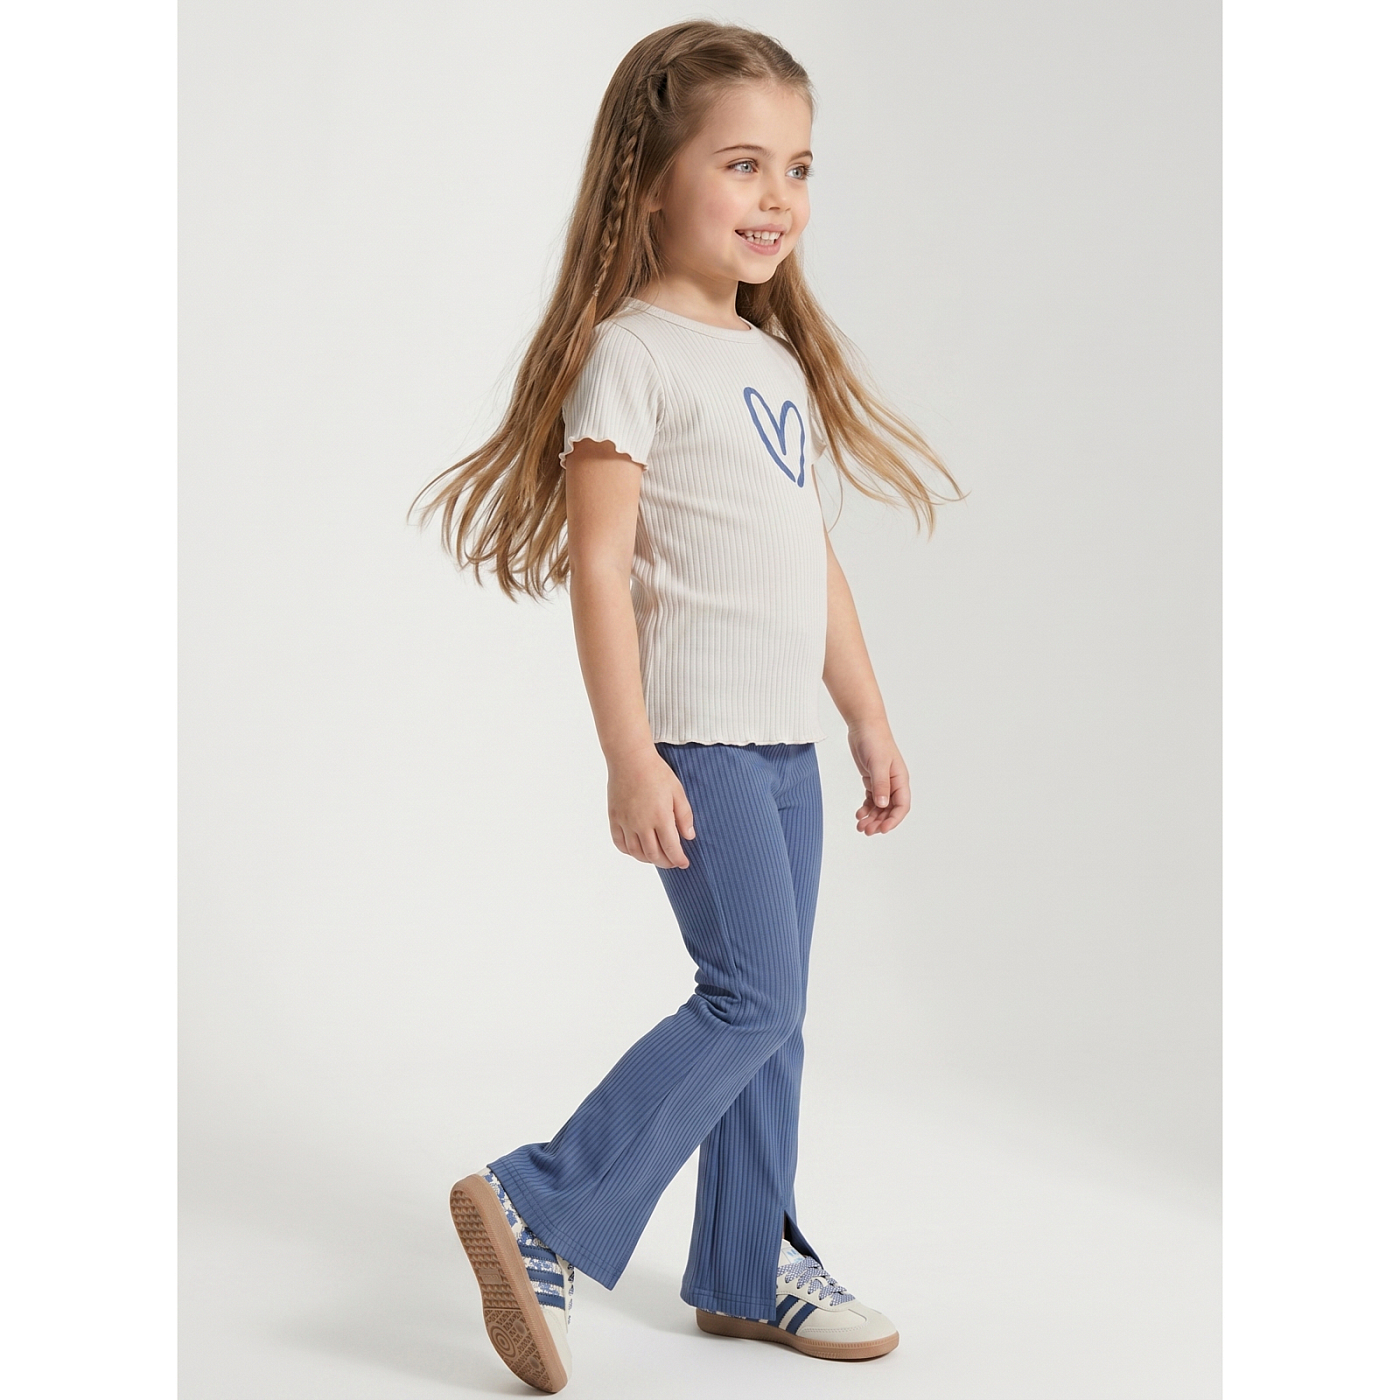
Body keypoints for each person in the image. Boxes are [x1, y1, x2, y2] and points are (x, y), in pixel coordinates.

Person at [414, 20, 959, 1394]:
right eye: (742, 163)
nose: (779, 197)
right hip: (700, 740)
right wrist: (629, 756)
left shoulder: (769, 363)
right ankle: (542, 1197)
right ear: (650, 181)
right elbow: (600, 568)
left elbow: (808, 559)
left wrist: (867, 719)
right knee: (751, 998)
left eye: (799, 167)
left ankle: (744, 1263)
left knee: (778, 1013)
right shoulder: (632, 356)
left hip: (785, 744)